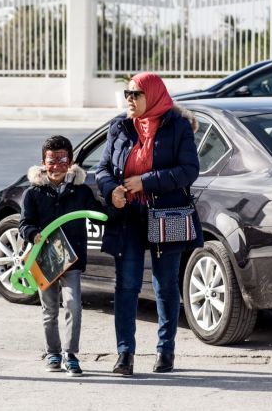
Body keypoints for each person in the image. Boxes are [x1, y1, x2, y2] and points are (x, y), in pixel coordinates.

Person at [96, 72, 203, 376]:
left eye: (136, 94)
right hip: (127, 216)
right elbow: (102, 168)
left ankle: (165, 350)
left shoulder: (177, 126)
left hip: (165, 214)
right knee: (127, 285)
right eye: (127, 93)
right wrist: (111, 190)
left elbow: (188, 170)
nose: (129, 99)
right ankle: (124, 355)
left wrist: (145, 182)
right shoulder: (119, 126)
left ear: (153, 95)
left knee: (165, 285)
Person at [19, 135, 103, 377]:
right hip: (45, 258)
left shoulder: (81, 191)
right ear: (43, 162)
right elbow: (24, 224)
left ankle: (71, 354)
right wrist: (33, 233)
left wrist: (116, 204)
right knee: (49, 309)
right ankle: (52, 351)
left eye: (62, 160)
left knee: (73, 305)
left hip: (71, 258)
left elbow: (97, 212)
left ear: (71, 161)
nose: (56, 166)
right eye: (51, 160)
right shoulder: (33, 193)